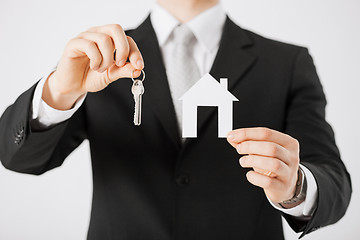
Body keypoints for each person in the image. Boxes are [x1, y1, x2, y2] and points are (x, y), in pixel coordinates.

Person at [0, 0, 352, 239]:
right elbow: (17, 157)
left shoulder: (286, 63)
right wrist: (58, 93)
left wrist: (295, 187)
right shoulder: (99, 58)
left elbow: (334, 182)